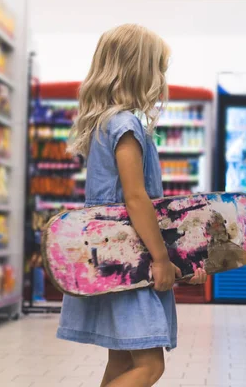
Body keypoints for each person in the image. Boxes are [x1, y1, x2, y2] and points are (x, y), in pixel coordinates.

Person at [57, 24, 207, 387]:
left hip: (107, 252)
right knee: (150, 365)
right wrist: (160, 258)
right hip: (130, 257)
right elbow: (136, 197)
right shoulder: (126, 125)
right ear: (138, 69)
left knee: (123, 360)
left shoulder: (103, 123)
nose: (162, 78)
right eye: (159, 67)